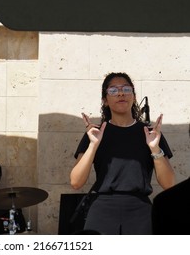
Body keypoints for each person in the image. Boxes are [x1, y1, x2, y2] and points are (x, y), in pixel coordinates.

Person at [70, 72, 175, 235]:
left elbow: (169, 184)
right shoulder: (94, 133)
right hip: (103, 210)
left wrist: (155, 149)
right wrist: (93, 145)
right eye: (113, 90)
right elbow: (76, 182)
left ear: (133, 96)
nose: (120, 93)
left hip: (141, 211)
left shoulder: (151, 133)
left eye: (126, 89)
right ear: (105, 100)